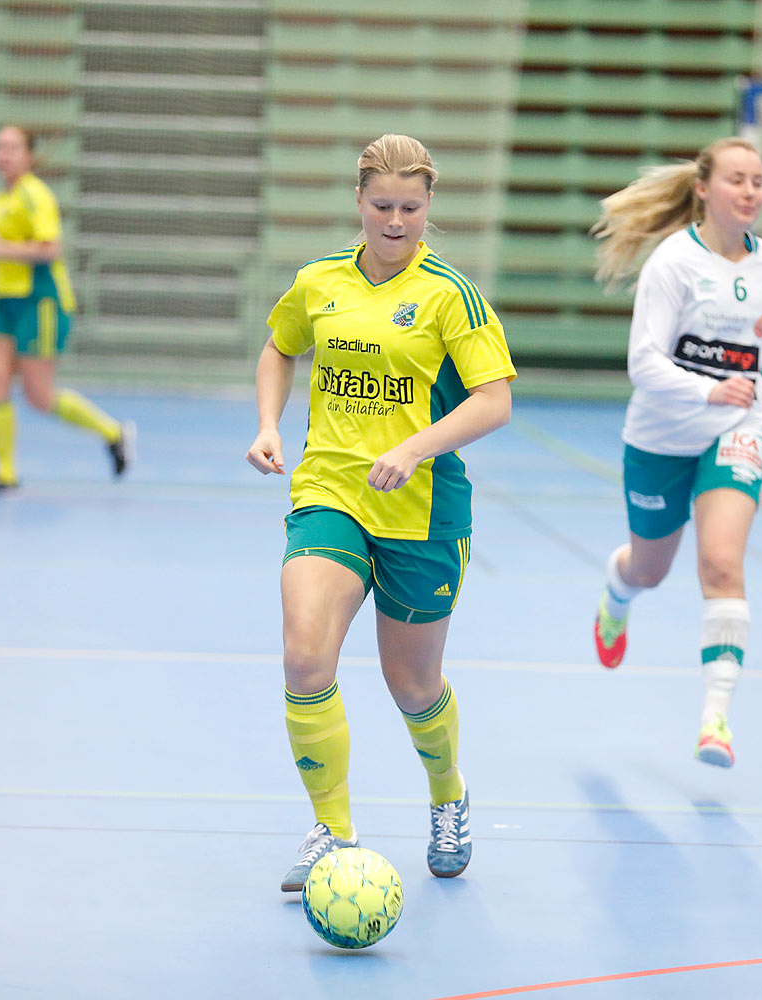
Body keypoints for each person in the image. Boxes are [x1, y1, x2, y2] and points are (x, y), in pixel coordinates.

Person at [246, 133, 516, 892]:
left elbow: (493, 401)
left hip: (421, 511)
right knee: (305, 654)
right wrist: (269, 424)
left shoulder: (449, 295)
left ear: (429, 206)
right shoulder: (320, 280)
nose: (397, 222)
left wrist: (418, 448)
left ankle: (447, 794)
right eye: (382, 206)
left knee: (412, 684)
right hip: (331, 492)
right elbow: (279, 348)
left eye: (412, 207)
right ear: (358, 202)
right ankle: (333, 830)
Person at [588, 137, 762, 768]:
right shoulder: (673, 264)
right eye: (736, 180)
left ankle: (715, 720)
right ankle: (618, 594)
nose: (750, 191)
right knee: (651, 567)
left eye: (758, 180)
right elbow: (643, 365)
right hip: (660, 436)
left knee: (722, 565)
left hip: (739, 426)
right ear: (704, 189)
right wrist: (709, 388)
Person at [0, 124, 134, 495]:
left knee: (39, 397)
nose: (3, 155)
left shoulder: (35, 196)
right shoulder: (0, 200)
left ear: (28, 156)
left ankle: (114, 433)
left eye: (11, 148)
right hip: (5, 301)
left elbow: (49, 248)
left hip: (41, 301)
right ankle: (5, 473)